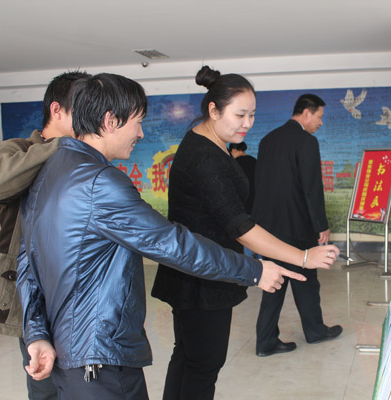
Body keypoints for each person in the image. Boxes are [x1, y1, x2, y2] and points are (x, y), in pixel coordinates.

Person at [17, 73, 303, 400]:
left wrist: (36, 334)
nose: (140, 133)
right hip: (99, 360)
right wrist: (254, 270)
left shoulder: (49, 171)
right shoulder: (100, 183)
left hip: (66, 354)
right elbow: (172, 244)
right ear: (110, 121)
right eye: (137, 122)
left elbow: (27, 264)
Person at [151, 66, 340, 400]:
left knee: (189, 357)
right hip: (202, 276)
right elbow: (238, 225)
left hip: (202, 268)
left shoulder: (210, 142)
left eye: (252, 114)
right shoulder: (205, 157)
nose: (248, 123)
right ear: (214, 110)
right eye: (240, 115)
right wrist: (303, 256)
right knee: (203, 363)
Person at [0, 70, 90, 400]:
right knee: (45, 383)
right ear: (57, 110)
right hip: (32, 289)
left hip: (75, 289)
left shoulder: (84, 157)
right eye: (84, 108)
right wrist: (60, 145)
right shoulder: (17, 149)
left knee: (80, 382)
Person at [252, 94, 343, 357]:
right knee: (307, 280)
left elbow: (261, 185)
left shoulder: (268, 140)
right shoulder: (306, 141)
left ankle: (265, 341)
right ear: (306, 113)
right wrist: (321, 225)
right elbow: (311, 187)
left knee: (273, 282)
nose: (320, 123)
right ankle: (315, 331)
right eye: (319, 117)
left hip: (269, 229)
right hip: (298, 225)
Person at [228, 142, 256, 214]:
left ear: (234, 150)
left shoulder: (234, 163)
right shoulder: (254, 160)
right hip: (255, 201)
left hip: (242, 202)